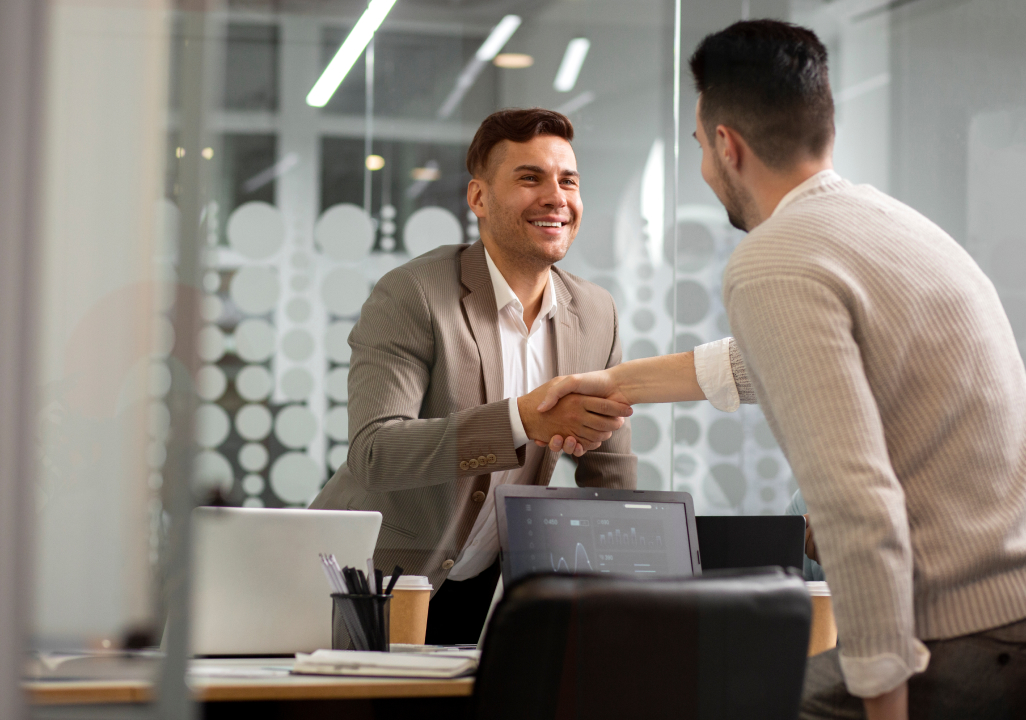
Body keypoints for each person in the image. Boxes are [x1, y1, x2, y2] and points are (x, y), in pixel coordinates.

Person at [536, 20, 1026, 720]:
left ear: (728, 146)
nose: (705, 168)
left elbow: (855, 498)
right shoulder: (892, 227)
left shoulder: (776, 259)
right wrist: (615, 385)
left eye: (701, 147)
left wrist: (881, 699)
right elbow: (768, 364)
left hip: (953, 640)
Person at [310, 108, 748, 644]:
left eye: (568, 180)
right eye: (529, 178)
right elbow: (375, 451)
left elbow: (608, 471)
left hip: (477, 585)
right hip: (373, 583)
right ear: (478, 198)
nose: (556, 197)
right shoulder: (415, 294)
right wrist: (522, 419)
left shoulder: (595, 311)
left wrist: (627, 602)